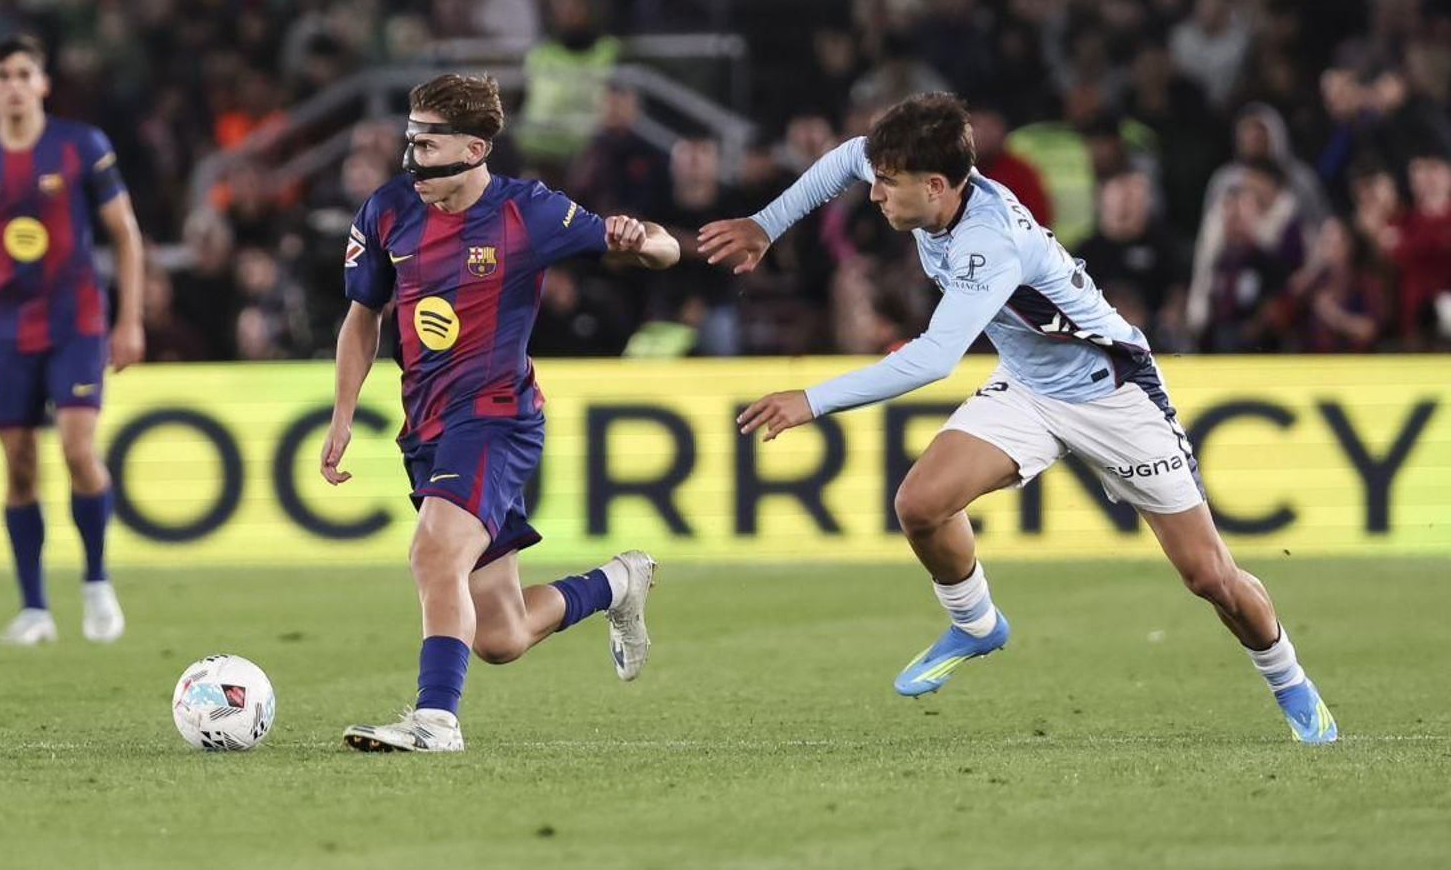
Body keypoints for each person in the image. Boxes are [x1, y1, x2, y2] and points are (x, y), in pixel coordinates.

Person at [697, 92, 1337, 743]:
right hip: (1030, 384)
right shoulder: (916, 176)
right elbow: (843, 161)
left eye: (888, 185)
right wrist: (765, 223)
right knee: (920, 504)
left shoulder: (988, 242)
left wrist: (812, 398)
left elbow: (934, 358)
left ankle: (1289, 678)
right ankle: (977, 623)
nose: (875, 194)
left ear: (937, 186)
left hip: (1113, 393)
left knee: (1210, 577)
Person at [321, 73, 679, 753]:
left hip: (495, 419)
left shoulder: (529, 213)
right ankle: (618, 581)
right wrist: (343, 413)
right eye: (410, 140)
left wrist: (643, 241)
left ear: (476, 148)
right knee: (501, 636)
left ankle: (435, 719)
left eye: (428, 145)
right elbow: (362, 315)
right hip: (426, 428)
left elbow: (666, 248)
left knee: (434, 552)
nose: (412, 159)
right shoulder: (387, 210)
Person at [0, 34, 145, 646]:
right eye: (1, 74)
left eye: (23, 73)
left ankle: (95, 582)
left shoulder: (80, 147)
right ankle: (35, 608)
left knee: (75, 448)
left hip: (77, 321)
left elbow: (124, 232)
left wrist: (130, 319)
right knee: (17, 467)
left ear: (42, 84)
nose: (12, 84)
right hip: (5, 330)